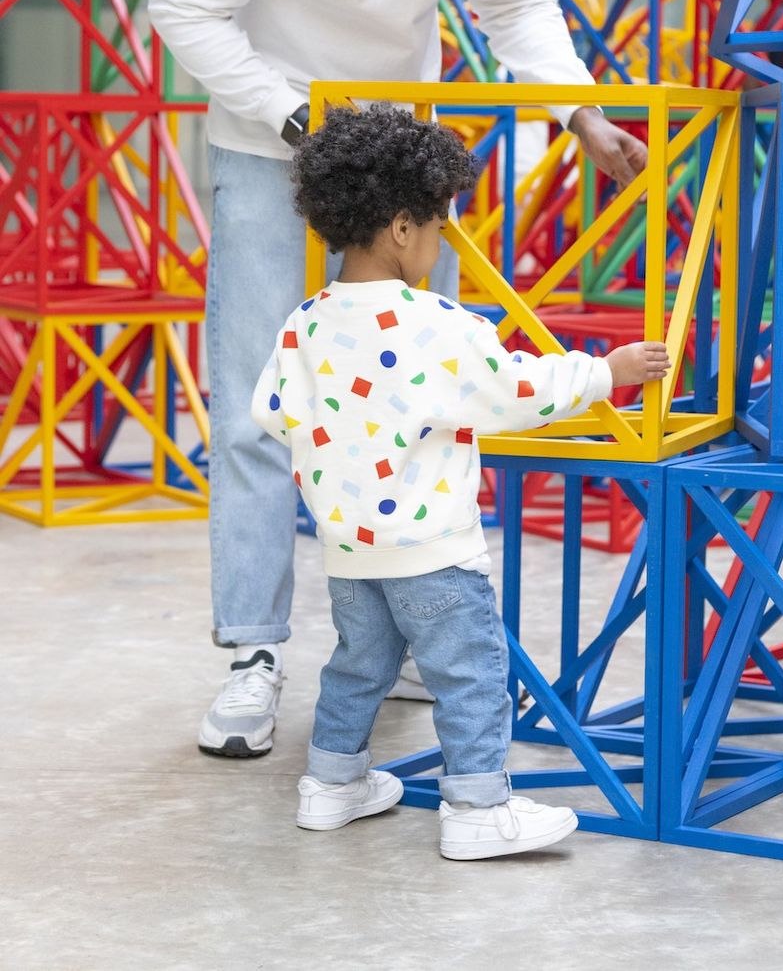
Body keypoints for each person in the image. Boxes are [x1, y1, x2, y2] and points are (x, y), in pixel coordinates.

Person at [148, 0, 648, 757]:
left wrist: (582, 116)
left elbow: (516, 1)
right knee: (258, 407)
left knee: (428, 393)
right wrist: (294, 117)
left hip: (400, 153)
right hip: (271, 144)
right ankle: (253, 654)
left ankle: (417, 629)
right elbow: (183, 6)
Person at [251, 104, 670, 859]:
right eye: (438, 226)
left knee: (357, 667)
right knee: (471, 674)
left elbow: (274, 413)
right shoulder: (440, 326)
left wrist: (349, 451)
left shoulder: (302, 324)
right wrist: (606, 373)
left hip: (350, 549)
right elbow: (516, 391)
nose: (440, 241)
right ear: (402, 227)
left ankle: (331, 785)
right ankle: (477, 809)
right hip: (433, 550)